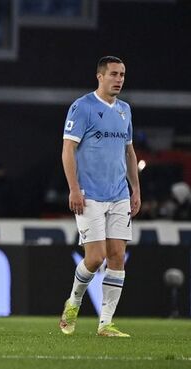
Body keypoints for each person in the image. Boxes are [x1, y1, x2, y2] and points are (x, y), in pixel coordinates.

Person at [59, 56, 141, 337]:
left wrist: (136, 189)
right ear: (100, 76)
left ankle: (105, 324)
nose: (119, 79)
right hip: (89, 194)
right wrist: (73, 188)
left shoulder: (125, 111)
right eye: (114, 74)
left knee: (117, 256)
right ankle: (74, 301)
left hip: (119, 194)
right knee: (95, 258)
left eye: (122, 75)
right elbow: (68, 150)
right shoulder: (82, 107)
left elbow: (129, 152)